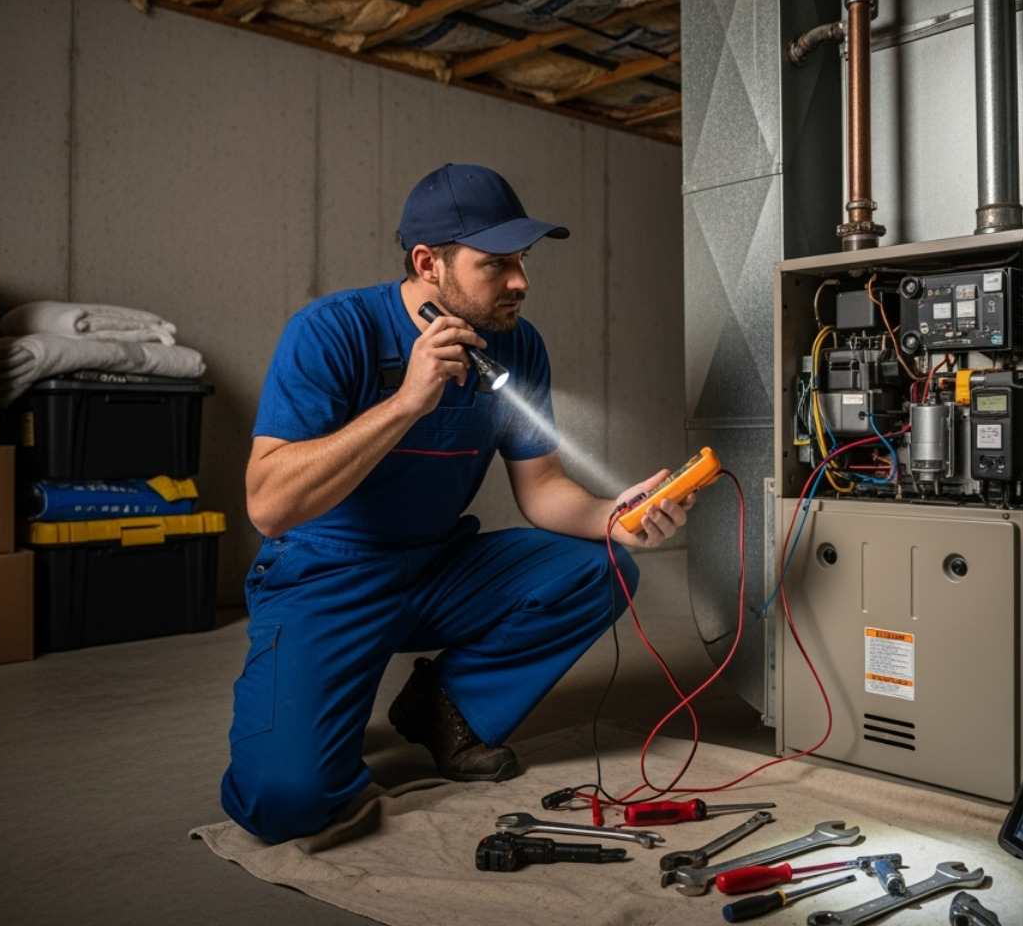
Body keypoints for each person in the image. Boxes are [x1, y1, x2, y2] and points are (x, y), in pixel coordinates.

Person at [220, 163, 691, 844]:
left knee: (602, 567)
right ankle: (318, 712)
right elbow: (269, 505)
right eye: (496, 264)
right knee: (285, 802)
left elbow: (543, 489)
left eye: (522, 260)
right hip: (326, 576)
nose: (520, 281)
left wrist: (618, 516)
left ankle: (446, 708)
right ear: (427, 264)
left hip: (437, 568)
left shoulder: (517, 345)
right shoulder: (332, 331)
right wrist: (407, 402)